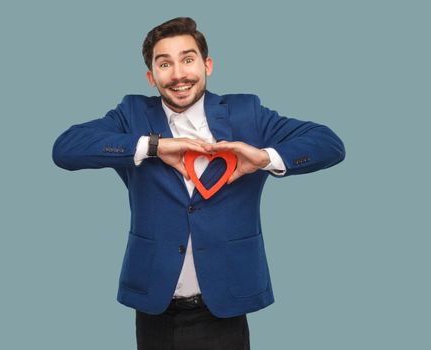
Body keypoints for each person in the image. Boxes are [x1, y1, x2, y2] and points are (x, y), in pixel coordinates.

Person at [52, 17, 345, 350]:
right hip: (155, 304)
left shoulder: (246, 113)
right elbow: (66, 148)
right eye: (165, 64)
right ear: (151, 76)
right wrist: (153, 146)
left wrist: (263, 158)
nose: (178, 74)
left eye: (188, 59)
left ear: (207, 65)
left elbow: (329, 144)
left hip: (224, 303)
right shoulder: (132, 115)